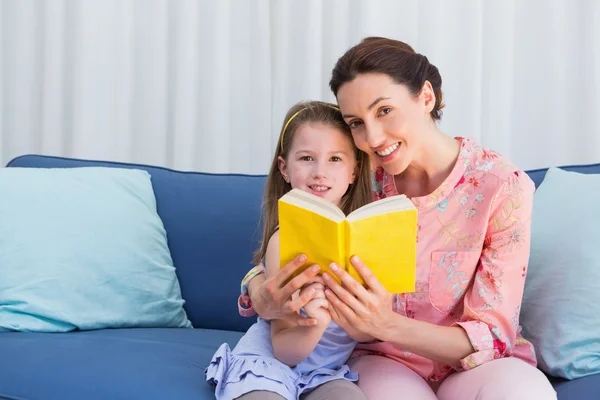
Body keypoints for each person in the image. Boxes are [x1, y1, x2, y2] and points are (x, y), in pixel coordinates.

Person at [238, 37, 557, 399]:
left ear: (425, 97)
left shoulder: (502, 187)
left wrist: (387, 323)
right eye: (355, 122)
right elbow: (296, 243)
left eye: (384, 110)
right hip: (383, 362)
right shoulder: (356, 172)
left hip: (476, 366)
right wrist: (257, 290)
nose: (372, 138)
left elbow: (494, 334)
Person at [206, 101, 372, 400]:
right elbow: (284, 350)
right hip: (273, 360)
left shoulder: (367, 237)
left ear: (354, 172)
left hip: (326, 370)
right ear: (284, 168)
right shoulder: (282, 241)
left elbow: (368, 333)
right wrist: (317, 323)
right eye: (307, 158)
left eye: (335, 159)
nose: (320, 172)